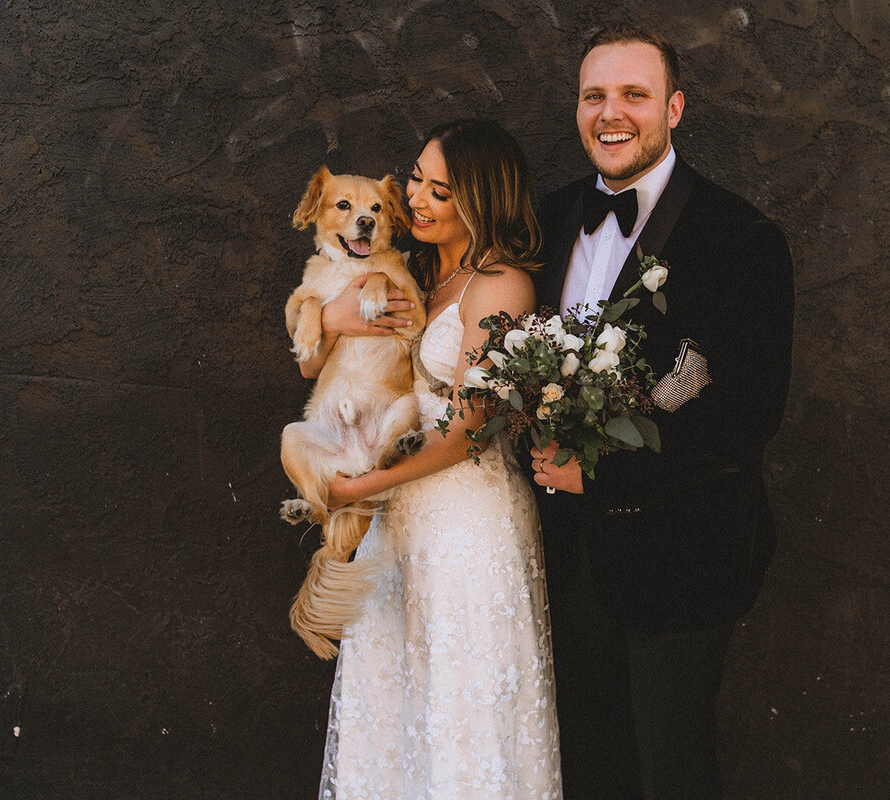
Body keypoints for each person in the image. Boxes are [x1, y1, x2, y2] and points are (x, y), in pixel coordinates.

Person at [529, 24, 794, 799]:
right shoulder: (546, 221)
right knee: (586, 765)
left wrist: (600, 474)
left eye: (634, 95)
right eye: (594, 96)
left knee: (671, 772)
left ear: (674, 107)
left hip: (685, 555)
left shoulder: (741, 238)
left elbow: (748, 416)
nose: (612, 113)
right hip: (564, 560)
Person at [300, 119, 561, 799]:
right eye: (415, 176)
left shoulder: (500, 286)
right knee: (392, 712)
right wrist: (330, 321)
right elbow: (317, 364)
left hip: (467, 527)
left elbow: (474, 427)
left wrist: (366, 484)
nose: (414, 197)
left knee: (461, 716)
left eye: (438, 190)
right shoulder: (408, 270)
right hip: (395, 524)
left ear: (477, 202)